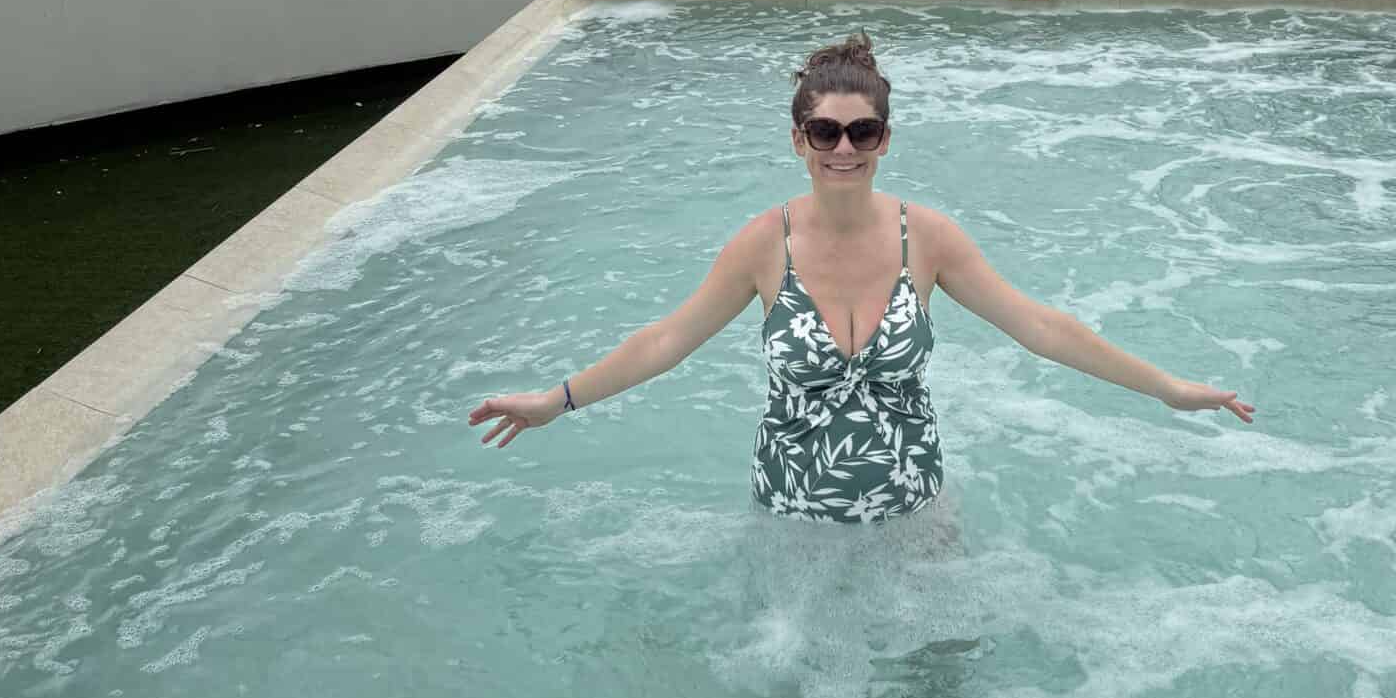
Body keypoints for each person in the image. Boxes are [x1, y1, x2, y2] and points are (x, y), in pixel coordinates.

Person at [467, 31, 1255, 522]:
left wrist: (1168, 388)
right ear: (798, 140)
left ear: (885, 139)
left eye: (862, 131)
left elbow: (1043, 328)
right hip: (792, 514)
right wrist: (558, 400)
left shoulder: (928, 240)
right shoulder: (763, 245)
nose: (843, 149)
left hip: (913, 509)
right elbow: (666, 340)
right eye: (824, 132)